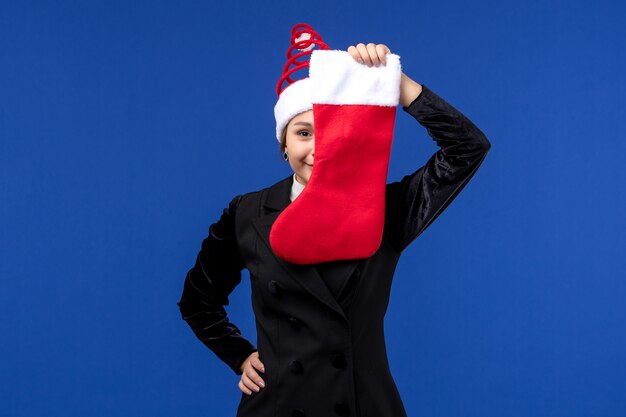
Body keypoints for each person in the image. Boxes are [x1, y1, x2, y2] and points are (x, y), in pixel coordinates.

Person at [177, 24, 490, 417]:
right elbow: (198, 300)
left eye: (328, 132)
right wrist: (239, 355)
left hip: (362, 406)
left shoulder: (387, 208)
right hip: (278, 407)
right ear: (284, 143)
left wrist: (398, 85)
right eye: (303, 133)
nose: (316, 149)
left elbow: (468, 149)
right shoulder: (248, 213)